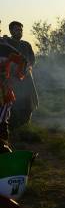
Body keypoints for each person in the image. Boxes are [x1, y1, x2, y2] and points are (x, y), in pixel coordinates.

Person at [4, 21, 38, 128]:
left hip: (27, 78)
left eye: (21, 30)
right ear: (11, 31)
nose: (19, 32)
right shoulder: (6, 43)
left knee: (28, 103)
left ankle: (25, 127)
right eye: (17, 30)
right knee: (13, 103)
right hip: (12, 79)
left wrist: (29, 67)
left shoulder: (26, 45)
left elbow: (32, 60)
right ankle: (11, 126)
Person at [0, 24, 27, 153]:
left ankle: (3, 150)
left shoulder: (5, 48)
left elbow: (23, 60)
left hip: (3, 93)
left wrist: (17, 75)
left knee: (1, 123)